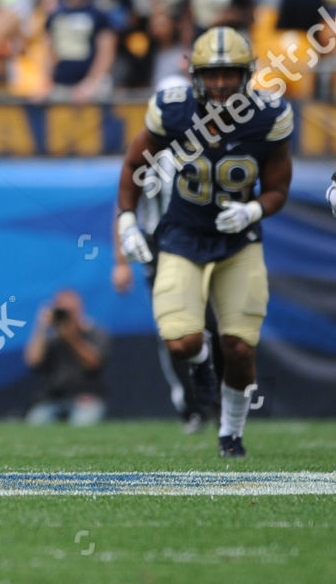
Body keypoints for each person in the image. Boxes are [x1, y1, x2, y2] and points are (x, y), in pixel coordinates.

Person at [116, 27, 293, 458]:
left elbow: (277, 187)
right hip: (182, 233)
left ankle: (230, 434)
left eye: (228, 74)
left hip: (238, 239)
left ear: (246, 74)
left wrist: (253, 210)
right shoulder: (173, 112)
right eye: (210, 75)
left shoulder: (269, 117)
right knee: (181, 340)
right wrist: (125, 221)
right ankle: (198, 368)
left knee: (239, 344)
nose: (218, 84)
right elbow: (134, 163)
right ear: (194, 75)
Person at [111, 77, 221, 434]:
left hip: (205, 244)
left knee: (213, 326)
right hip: (160, 247)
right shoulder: (147, 154)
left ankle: (215, 399)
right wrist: (120, 260)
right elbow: (124, 207)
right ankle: (190, 404)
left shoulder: (212, 145)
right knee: (174, 330)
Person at [23, 289, 109, 425]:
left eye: (71, 310)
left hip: (86, 398)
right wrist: (42, 327)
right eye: (63, 310)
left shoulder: (95, 332)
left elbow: (93, 362)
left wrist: (71, 337)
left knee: (83, 424)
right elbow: (33, 360)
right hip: (53, 399)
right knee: (36, 422)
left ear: (80, 309)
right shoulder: (52, 339)